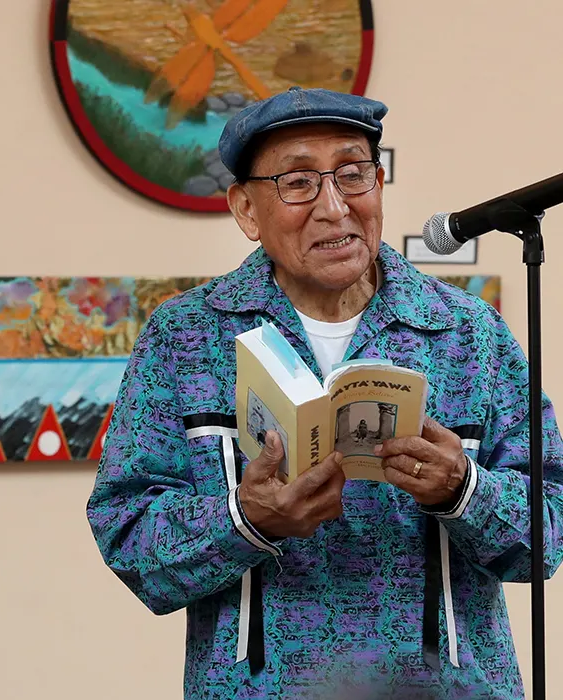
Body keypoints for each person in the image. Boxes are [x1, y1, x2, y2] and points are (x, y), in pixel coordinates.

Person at [86, 87, 563, 698]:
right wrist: (246, 519)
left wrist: (464, 490)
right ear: (246, 210)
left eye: (352, 173)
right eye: (299, 182)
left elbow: (548, 531)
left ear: (380, 183)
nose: (335, 206)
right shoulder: (187, 336)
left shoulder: (467, 332)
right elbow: (128, 537)